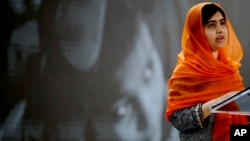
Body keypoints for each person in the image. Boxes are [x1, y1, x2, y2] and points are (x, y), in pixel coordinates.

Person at [165, 2, 249, 141]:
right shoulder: (186, 71)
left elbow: (241, 117)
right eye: (211, 25)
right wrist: (219, 102)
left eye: (222, 23)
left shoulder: (230, 69)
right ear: (197, 31)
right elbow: (177, 120)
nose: (220, 30)